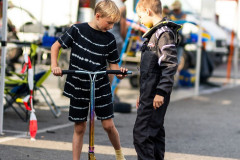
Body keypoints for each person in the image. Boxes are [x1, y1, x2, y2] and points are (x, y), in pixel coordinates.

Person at [51, 1, 127, 160]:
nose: (111, 27)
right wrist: (55, 66)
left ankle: (119, 154)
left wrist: (119, 73)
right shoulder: (77, 30)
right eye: (109, 22)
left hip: (100, 85)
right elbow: (55, 47)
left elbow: (114, 66)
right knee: (79, 127)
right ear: (98, 16)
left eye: (114, 24)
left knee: (108, 125)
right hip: (78, 85)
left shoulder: (110, 39)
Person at [133, 0, 181, 159]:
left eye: (140, 16)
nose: (139, 20)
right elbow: (149, 70)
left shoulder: (163, 33)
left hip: (156, 95)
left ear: (148, 12)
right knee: (154, 133)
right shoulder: (154, 33)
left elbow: (169, 64)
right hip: (149, 93)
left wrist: (161, 92)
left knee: (142, 135)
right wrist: (142, 93)